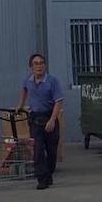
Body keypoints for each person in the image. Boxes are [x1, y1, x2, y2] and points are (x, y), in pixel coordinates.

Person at [17, 53, 64, 189]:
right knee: (38, 150)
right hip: (35, 118)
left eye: (41, 63)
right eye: (36, 64)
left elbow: (59, 102)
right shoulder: (28, 80)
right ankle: (41, 179)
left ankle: (48, 174)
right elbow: (24, 90)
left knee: (51, 151)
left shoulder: (52, 81)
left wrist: (52, 120)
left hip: (49, 117)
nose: (39, 66)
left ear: (45, 65)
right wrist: (20, 104)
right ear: (31, 67)